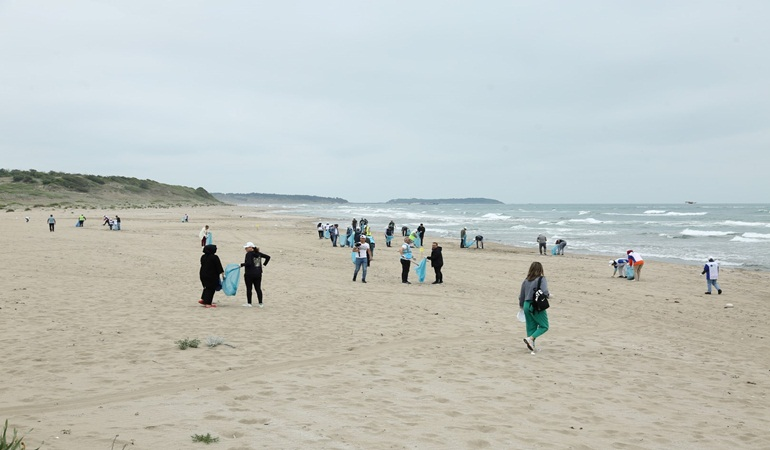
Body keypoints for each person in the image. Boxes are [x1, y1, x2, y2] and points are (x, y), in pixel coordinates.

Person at [519, 261, 550, 353]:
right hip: (536, 305)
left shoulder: (526, 280)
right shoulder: (541, 279)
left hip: (526, 305)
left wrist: (521, 307)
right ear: (540, 270)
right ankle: (531, 339)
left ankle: (532, 347)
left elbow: (521, 295)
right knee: (544, 326)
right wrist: (549, 295)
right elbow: (545, 292)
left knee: (530, 327)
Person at [241, 242, 271, 307]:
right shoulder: (258, 253)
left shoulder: (249, 254)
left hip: (249, 274)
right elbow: (268, 257)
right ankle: (260, 303)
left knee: (249, 288)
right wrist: (264, 265)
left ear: (251, 248)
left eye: (246, 248)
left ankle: (249, 303)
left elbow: (249, 263)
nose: (245, 249)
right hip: (258, 273)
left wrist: (241, 265)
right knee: (258, 288)